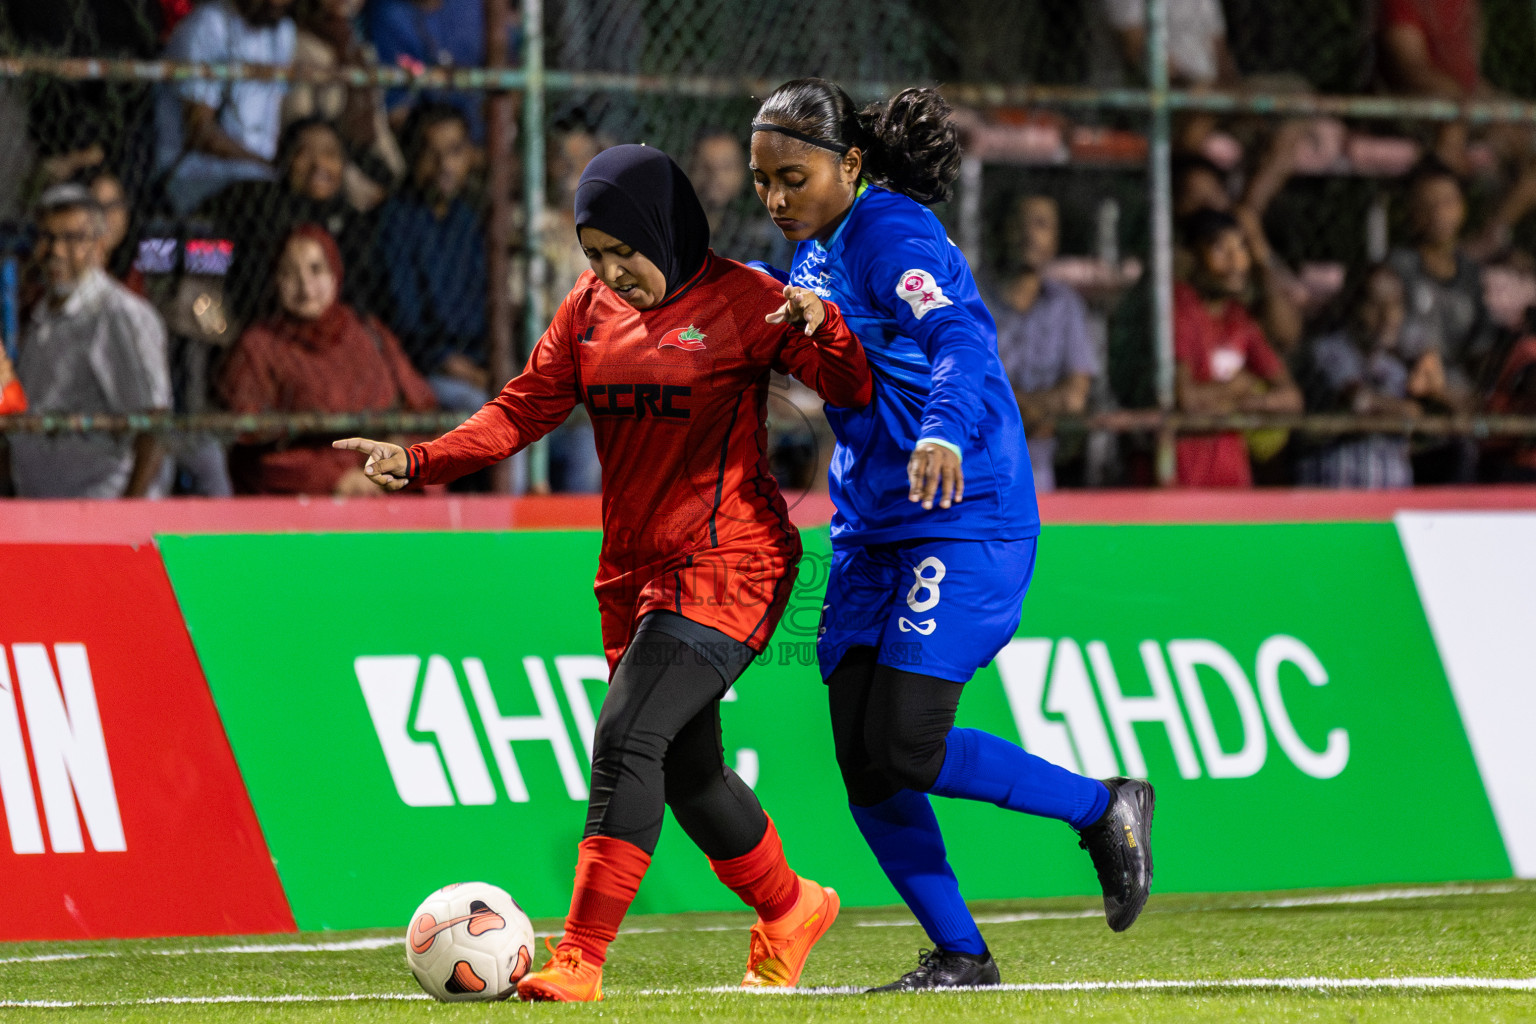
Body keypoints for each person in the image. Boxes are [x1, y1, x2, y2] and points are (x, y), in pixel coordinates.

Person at [333, 145, 872, 1001]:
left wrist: (829, 326)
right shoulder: (587, 310)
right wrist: (420, 457)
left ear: (669, 229)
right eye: (595, 255)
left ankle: (580, 957)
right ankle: (791, 904)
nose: (613, 272)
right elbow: (520, 409)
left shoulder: (749, 301)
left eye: (627, 252)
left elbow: (853, 385)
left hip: (732, 559)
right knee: (691, 774)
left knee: (626, 740)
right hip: (633, 575)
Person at [747, 78, 1154, 991]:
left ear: (850, 165)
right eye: (761, 180)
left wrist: (939, 428)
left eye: (792, 177)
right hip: (873, 529)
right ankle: (961, 954)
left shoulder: (891, 233)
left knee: (905, 745)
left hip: (968, 514)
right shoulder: (812, 252)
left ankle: (1101, 808)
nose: (774, 198)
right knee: (863, 757)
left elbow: (963, 339)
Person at [219, 224, 436, 495]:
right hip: (305, 504)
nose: (306, 287)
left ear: (335, 273)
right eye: (290, 273)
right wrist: (335, 479)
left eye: (316, 269)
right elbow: (251, 453)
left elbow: (425, 413)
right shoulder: (259, 348)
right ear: (276, 279)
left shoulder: (369, 334)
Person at [12, 184, 170, 498]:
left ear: (100, 247)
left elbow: (153, 423)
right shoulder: (43, 312)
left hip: (98, 506)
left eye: (73, 239)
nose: (56, 250)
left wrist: (127, 516)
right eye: (47, 237)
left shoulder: (119, 315)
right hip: (42, 507)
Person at [201, 116, 382, 325]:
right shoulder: (253, 200)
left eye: (330, 154)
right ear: (285, 159)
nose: (319, 164)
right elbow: (204, 252)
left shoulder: (353, 222)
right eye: (305, 152)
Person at [1173, 208, 1303, 488]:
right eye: (1221, 248)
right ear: (1191, 258)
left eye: (1241, 247)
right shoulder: (1180, 307)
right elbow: (1186, 399)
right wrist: (1234, 389)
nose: (1236, 262)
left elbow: (1291, 398)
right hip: (1183, 480)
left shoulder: (1238, 318)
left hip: (1233, 481)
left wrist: (1244, 402)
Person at [374, 103, 489, 410]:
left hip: (481, 366)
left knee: (586, 430)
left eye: (454, 151)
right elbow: (406, 327)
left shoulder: (469, 220)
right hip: (428, 373)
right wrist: (468, 372)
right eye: (431, 152)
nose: (444, 165)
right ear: (412, 155)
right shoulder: (394, 223)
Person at [1296, 263, 1447, 489]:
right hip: (1335, 499)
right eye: (1375, 306)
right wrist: (1406, 412)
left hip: (1391, 503)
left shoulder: (1397, 364)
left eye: (1395, 306)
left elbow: (1430, 421)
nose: (1387, 317)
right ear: (1353, 306)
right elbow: (1356, 398)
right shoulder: (1327, 350)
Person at [993, 195, 1099, 493]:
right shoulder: (973, 298)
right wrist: (1036, 410)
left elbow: (1076, 396)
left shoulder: (1066, 305)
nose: (1030, 235)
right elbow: (964, 387)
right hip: (976, 464)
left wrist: (1009, 405)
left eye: (1041, 225)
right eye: (1020, 225)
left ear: (1055, 240)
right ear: (1003, 232)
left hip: (1039, 472)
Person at [153, 0, 297, 215]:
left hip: (260, 179)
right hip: (197, 175)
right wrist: (268, 165)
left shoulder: (283, 31)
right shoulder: (209, 24)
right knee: (267, 201)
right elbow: (200, 132)